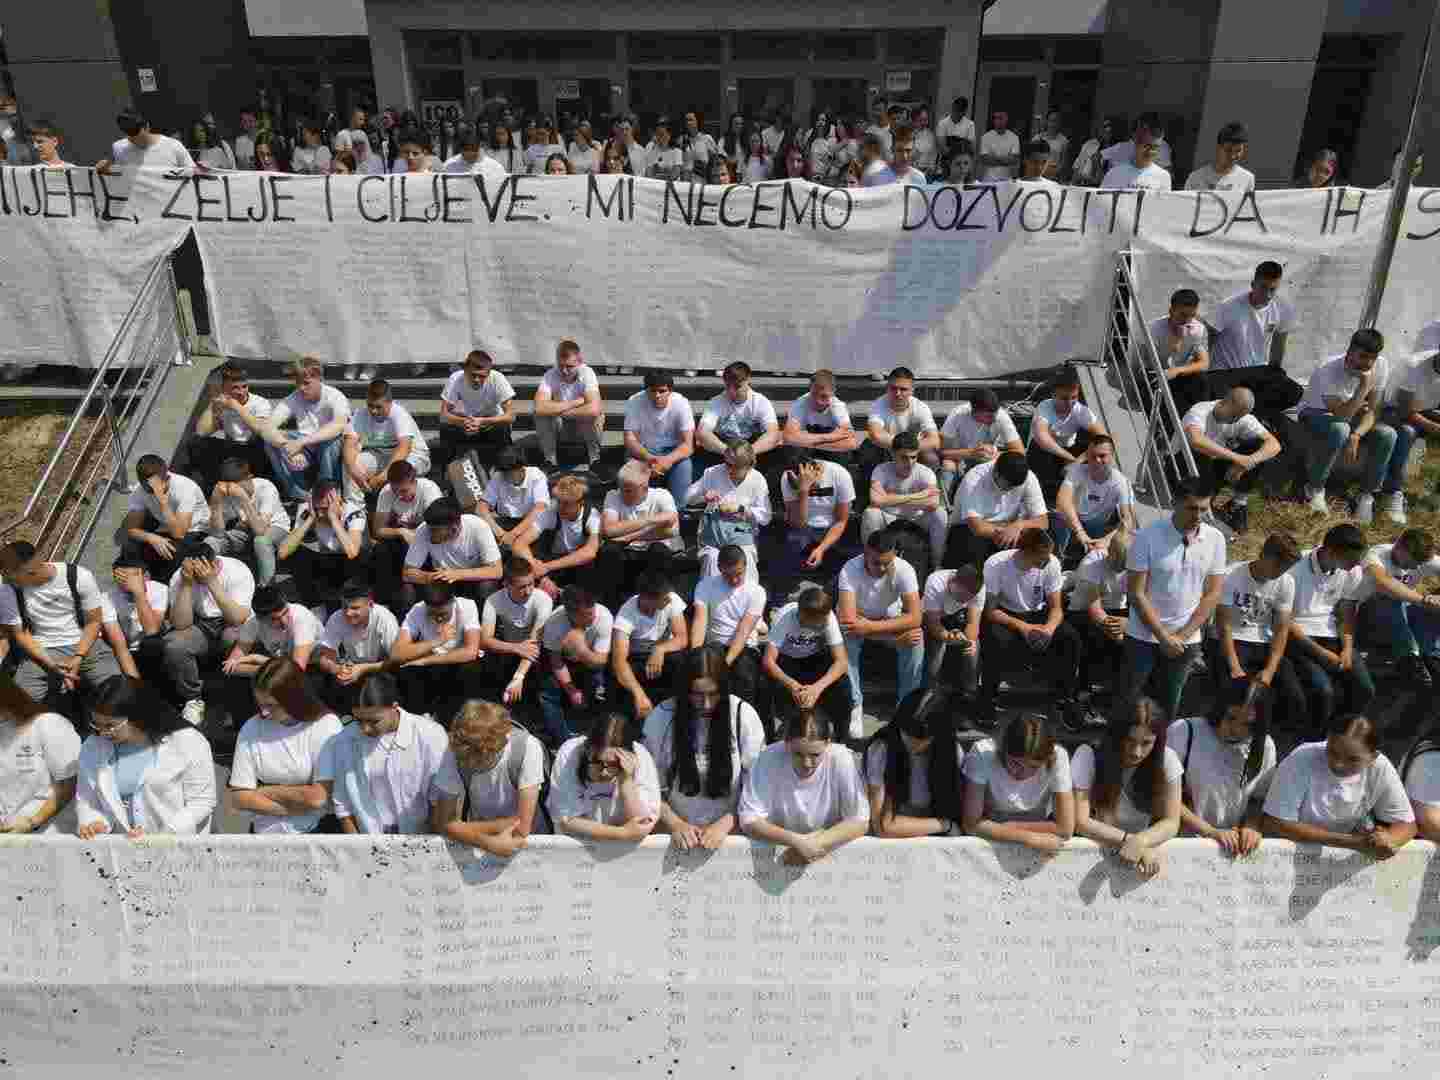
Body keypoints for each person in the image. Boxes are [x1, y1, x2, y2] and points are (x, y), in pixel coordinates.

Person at [1124, 479, 1227, 720]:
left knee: (1169, 707)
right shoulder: (1146, 536)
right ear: (1174, 503)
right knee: (1129, 704)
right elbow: (1136, 592)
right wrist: (1163, 636)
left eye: (1204, 509)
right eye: (1192, 508)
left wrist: (1181, 636)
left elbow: (1213, 593)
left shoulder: (1216, 539)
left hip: (1186, 639)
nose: (1198, 516)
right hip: (1142, 637)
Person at [643, 650, 764, 849]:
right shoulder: (660, 717)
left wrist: (725, 824)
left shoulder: (743, 715)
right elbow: (649, 787)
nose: (706, 704)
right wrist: (676, 824)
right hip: (677, 830)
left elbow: (757, 788)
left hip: (731, 830)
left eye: (713, 694)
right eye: (697, 694)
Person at [320, 673, 461, 835]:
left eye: (374, 721)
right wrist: (358, 846)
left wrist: (431, 843)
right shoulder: (344, 740)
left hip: (422, 837)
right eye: (359, 720)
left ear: (394, 707)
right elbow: (343, 805)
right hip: (367, 842)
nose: (365, 729)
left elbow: (446, 795)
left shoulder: (430, 734)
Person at [76, 677, 216, 838]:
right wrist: (95, 822)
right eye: (96, 725)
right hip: (121, 845)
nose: (102, 733)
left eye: (110, 726)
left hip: (176, 843)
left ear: (136, 715)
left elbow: (202, 801)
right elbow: (87, 798)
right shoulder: (93, 745)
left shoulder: (188, 741)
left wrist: (165, 833)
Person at [1262, 713, 1415, 857]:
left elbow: (1407, 825)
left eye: (1353, 759)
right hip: (1283, 855)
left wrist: (1388, 840)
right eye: (1332, 752)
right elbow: (1276, 822)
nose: (1338, 764)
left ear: (1373, 757)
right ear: (1327, 740)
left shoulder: (1380, 767)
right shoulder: (1302, 757)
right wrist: (1352, 842)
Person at [976, 529, 1084, 729]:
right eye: (1042, 556)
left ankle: (1065, 697)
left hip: (1037, 613)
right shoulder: (995, 564)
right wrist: (1024, 628)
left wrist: (1048, 629)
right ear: (1025, 551)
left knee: (1070, 638)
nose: (1048, 560)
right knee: (994, 639)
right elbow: (990, 611)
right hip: (1005, 613)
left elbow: (1056, 608)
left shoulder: (1051, 563)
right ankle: (988, 697)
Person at [0, 541, 122, 715]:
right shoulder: (8, 589)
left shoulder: (78, 576)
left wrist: (78, 656)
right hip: (41, 650)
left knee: (116, 690)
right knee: (17, 706)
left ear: (29, 570)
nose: (6, 579)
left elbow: (94, 621)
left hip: (85, 643)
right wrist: (50, 664)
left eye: (11, 576)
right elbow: (21, 634)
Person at [225, 657, 342, 833]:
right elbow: (239, 797)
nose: (264, 712)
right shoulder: (252, 727)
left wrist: (262, 791)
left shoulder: (326, 725)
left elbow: (318, 798)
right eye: (260, 704)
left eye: (271, 705)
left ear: (294, 698)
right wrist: (292, 807)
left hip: (316, 831)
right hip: (263, 832)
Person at [1298, 328, 1404, 523]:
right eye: (1363, 356)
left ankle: (1366, 494)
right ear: (1349, 351)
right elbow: (1342, 416)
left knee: (1388, 434)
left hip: (1352, 412)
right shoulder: (1327, 369)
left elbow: (1373, 410)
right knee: (1341, 429)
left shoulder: (1381, 365)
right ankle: (1315, 487)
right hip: (1315, 413)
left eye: (1373, 358)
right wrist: (1364, 387)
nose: (1368, 363)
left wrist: (1357, 435)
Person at [739, 709, 868, 865]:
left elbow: (859, 821)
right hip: (784, 847)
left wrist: (814, 844)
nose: (807, 764)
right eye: (798, 754)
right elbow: (749, 819)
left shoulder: (841, 759)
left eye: (815, 755)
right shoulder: (768, 758)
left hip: (823, 847)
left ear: (828, 744)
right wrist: (796, 841)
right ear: (786, 744)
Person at [1072, 697, 1182, 878]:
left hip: (1140, 854)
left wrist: (1142, 840)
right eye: (1130, 740)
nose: (1137, 752)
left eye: (1146, 743)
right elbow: (1080, 822)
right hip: (1089, 857)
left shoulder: (1168, 760)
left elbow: (1171, 822)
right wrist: (1130, 840)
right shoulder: (1088, 755)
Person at [1283, 524, 1374, 737]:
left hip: (1332, 633)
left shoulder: (1351, 572)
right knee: (1323, 691)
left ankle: (1341, 735)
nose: (1355, 565)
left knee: (1365, 688)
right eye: (1351, 560)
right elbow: (1286, 621)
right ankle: (1314, 741)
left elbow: (1346, 613)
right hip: (1298, 635)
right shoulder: (1295, 569)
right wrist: (1321, 653)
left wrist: (1347, 648)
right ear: (1331, 551)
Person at [1170, 678, 1276, 855]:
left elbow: (1258, 799)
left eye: (1248, 724)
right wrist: (1210, 832)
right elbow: (1163, 795)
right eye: (1231, 718)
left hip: (1232, 844)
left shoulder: (1265, 746)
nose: (1236, 729)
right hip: (1182, 841)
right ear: (1220, 710)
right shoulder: (1184, 731)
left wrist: (1251, 826)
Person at [837, 529, 924, 738]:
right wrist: (892, 639)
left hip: (884, 622)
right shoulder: (850, 569)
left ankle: (907, 706)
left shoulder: (905, 569)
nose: (882, 568)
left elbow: (915, 618)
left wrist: (871, 629)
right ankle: (855, 704)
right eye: (876, 563)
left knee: (915, 636)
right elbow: (849, 619)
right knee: (844, 633)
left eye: (888, 562)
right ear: (866, 553)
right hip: (858, 623)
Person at [160, 537, 254, 727]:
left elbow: (237, 618)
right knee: (174, 643)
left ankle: (234, 698)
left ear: (216, 563)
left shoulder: (237, 570)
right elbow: (180, 624)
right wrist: (187, 585)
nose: (198, 575)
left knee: (233, 636)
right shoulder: (181, 576)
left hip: (233, 622)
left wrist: (211, 581)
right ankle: (192, 699)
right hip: (201, 624)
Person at [437, 700, 548, 855]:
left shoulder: (527, 747)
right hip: (477, 841)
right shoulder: (455, 748)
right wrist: (487, 843)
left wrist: (460, 828)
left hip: (532, 842)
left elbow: (522, 827)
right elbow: (444, 823)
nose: (469, 763)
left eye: (477, 759)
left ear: (497, 746)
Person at [961, 712, 1075, 853]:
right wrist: (1029, 838)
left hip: (998, 830)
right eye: (1015, 763)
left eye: (1034, 767)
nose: (1022, 774)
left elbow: (1065, 828)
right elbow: (971, 824)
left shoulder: (1058, 756)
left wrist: (1003, 827)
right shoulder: (982, 753)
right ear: (1003, 750)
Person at [1206, 261, 1301, 426]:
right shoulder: (1228, 306)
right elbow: (1210, 339)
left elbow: (1279, 345)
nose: (1268, 295)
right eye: (1263, 288)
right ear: (1252, 284)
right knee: (1228, 401)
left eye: (1273, 289)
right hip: (1226, 373)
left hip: (1257, 372)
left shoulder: (1283, 308)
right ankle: (1253, 418)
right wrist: (1204, 371)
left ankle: (1255, 417)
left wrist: (1276, 374)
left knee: (1295, 391)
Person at [859, 688, 963, 839]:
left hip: (933, 834)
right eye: (906, 734)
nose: (911, 743)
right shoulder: (882, 750)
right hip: (896, 837)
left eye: (921, 739)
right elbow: (882, 826)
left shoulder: (952, 752)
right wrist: (945, 825)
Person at [245, 357, 351, 503]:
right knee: (270, 442)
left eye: (306, 383)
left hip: (325, 446)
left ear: (319, 378)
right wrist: (286, 445)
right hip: (304, 447)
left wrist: (301, 442)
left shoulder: (335, 396)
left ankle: (327, 491)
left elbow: (338, 425)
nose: (301, 388)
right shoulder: (293, 398)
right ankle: (299, 493)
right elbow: (267, 427)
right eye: (298, 383)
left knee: (331, 441)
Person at [1180, 389, 1282, 534]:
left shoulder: (1242, 418)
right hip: (1184, 463)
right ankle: (1202, 503)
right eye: (1234, 415)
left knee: (1260, 447)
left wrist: (1248, 462)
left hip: (1212, 467)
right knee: (1204, 453)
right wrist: (1237, 458)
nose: (1236, 420)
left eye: (1240, 417)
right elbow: (1196, 441)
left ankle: (1237, 504)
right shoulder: (1200, 411)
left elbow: (1274, 445)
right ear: (1225, 402)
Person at [548, 710, 660, 841]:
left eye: (614, 764)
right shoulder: (570, 753)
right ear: (588, 749)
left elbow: (643, 824)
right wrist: (622, 833)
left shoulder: (641, 757)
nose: (604, 772)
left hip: (623, 849)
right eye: (597, 762)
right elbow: (566, 820)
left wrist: (626, 781)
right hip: (578, 845)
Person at [763, 585, 852, 737]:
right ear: (801, 614)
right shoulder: (785, 618)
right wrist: (793, 686)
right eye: (816, 623)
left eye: (822, 622)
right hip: (786, 660)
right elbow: (768, 661)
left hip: (814, 658)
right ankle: (770, 737)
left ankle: (841, 738)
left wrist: (817, 688)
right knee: (764, 684)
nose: (821, 625)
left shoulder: (827, 616)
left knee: (843, 686)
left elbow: (841, 662)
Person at [1356, 529, 1440, 687]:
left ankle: (1432, 656)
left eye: (1421, 563)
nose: (1417, 566)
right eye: (1415, 561)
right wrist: (1423, 600)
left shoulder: (1421, 558)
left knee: (1433, 608)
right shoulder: (1375, 556)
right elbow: (1384, 583)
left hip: (1399, 615)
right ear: (1400, 548)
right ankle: (1409, 658)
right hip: (1366, 617)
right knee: (1389, 599)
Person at [390, 582, 483, 720]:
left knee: (470, 669)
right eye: (432, 614)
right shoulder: (417, 610)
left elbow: (471, 651)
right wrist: (438, 640)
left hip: (456, 664)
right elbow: (396, 654)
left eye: (443, 614)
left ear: (453, 602)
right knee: (405, 670)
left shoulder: (467, 606)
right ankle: (420, 717)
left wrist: (426, 660)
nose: (438, 618)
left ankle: (456, 718)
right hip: (431, 667)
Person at [0, 676, 80, 834]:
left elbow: (70, 784)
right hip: (9, 832)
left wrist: (33, 821)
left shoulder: (49, 724)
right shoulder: (3, 730)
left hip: (50, 832)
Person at [690, 545, 766, 709]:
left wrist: (725, 664)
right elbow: (700, 621)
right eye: (728, 575)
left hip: (744, 646)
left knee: (744, 675)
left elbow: (743, 631)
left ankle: (744, 716)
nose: (734, 580)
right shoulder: (705, 585)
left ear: (746, 566)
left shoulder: (757, 592)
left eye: (739, 574)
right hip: (714, 645)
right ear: (719, 568)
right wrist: (696, 655)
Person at [686, 441, 771, 583]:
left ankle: (748, 595)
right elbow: (687, 497)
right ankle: (709, 596)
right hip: (713, 533)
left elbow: (765, 516)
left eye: (735, 466)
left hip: (742, 534)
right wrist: (703, 497)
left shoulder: (757, 479)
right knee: (712, 559)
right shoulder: (713, 473)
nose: (729, 469)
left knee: (745, 558)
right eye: (727, 464)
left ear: (749, 465)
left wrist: (743, 509)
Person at [863, 432, 947, 576]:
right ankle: (870, 559)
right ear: (893, 454)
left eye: (913, 457)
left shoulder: (926, 473)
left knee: (940, 514)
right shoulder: (881, 470)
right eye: (904, 457)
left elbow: (933, 503)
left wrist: (889, 498)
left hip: (918, 518)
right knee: (870, 513)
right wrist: (918, 495)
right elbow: (876, 500)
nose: (910, 462)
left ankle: (936, 564)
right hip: (888, 516)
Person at [947, 451, 1047, 571]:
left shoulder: (1029, 478)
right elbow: (977, 527)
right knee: (974, 545)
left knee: (1047, 532)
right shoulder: (974, 479)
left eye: (1013, 487)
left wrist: (1019, 525)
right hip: (967, 530)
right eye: (1006, 486)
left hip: (1007, 530)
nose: (1009, 490)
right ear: (995, 472)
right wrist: (1008, 531)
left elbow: (1043, 522)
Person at [597, 460, 680, 605]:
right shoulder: (613, 495)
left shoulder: (662, 495)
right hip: (625, 553)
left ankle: (657, 599)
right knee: (609, 551)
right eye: (621, 488)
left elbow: (672, 530)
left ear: (644, 487)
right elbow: (609, 530)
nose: (623, 494)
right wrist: (650, 522)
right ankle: (612, 603)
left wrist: (629, 536)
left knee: (659, 551)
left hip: (651, 553)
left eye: (629, 490)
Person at [611, 572, 690, 724]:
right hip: (637, 658)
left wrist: (659, 650)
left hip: (663, 652)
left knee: (681, 660)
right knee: (619, 677)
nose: (669, 600)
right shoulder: (625, 615)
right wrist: (638, 694)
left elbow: (682, 638)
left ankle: (678, 711)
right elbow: (619, 662)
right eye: (664, 598)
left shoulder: (671, 599)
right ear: (646, 598)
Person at [278, 481, 367, 615]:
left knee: (359, 556)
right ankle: (315, 606)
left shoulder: (354, 512)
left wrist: (333, 518)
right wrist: (310, 519)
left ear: (338, 501)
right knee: (295, 552)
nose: (320, 514)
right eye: (316, 508)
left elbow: (352, 552)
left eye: (324, 508)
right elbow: (283, 552)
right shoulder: (309, 510)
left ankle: (349, 599)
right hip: (328, 560)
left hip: (353, 565)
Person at [119, 454, 211, 582]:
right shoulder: (140, 492)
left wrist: (163, 502)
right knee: (130, 546)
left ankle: (163, 581)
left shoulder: (185, 489)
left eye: (156, 485)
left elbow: (179, 533)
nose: (152, 490)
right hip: (165, 526)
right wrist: (152, 538)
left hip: (194, 529)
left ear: (167, 476)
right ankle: (141, 576)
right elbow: (131, 529)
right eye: (147, 487)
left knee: (172, 551)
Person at [313, 581, 400, 716]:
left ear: (370, 604)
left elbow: (397, 660)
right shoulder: (336, 618)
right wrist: (337, 669)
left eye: (355, 608)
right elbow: (325, 656)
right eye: (344, 607)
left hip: (382, 667)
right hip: (353, 667)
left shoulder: (385, 619)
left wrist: (364, 668)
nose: (348, 613)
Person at [538, 586, 612, 745]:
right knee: (548, 693)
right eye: (587, 615)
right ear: (571, 614)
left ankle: (597, 732)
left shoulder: (604, 616)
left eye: (593, 611)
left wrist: (581, 649)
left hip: (591, 659)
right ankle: (562, 740)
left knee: (600, 686)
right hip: (563, 660)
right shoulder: (554, 623)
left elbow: (600, 661)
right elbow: (556, 661)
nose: (593, 616)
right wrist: (571, 690)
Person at [475, 556, 554, 705]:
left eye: (531, 584)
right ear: (506, 584)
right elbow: (485, 641)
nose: (528, 591)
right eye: (522, 587)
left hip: (536, 652)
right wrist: (515, 648)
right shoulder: (493, 600)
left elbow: (534, 644)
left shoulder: (543, 600)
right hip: (508, 649)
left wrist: (519, 677)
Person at [368, 460, 443, 612]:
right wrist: (401, 531)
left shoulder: (429, 490)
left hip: (430, 540)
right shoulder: (387, 492)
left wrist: (416, 535)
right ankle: (383, 601)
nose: (400, 496)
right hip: (402, 540)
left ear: (415, 481)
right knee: (381, 550)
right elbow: (378, 530)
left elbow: (439, 527)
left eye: (404, 491)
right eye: (395, 491)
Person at [1025, 367, 1107, 503]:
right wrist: (1070, 459)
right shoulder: (1044, 407)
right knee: (1038, 447)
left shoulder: (1081, 411)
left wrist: (1078, 461)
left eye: (1074, 397)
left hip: (1067, 453)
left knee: (1099, 448)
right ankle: (1045, 491)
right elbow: (1042, 439)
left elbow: (1104, 438)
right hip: (1044, 455)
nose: (1070, 403)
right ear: (1053, 395)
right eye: (1064, 398)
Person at [1065, 533, 1130, 704]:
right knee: (1093, 637)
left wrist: (1130, 626)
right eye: (1119, 563)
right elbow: (1096, 611)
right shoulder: (1091, 565)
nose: (1122, 568)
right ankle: (1083, 688)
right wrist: (1120, 636)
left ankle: (1122, 690)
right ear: (1111, 553)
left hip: (1116, 609)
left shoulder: (1134, 566)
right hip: (1083, 611)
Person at [513, 474, 601, 598]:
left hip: (576, 565)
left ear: (580, 502)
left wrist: (546, 567)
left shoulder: (592, 516)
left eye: (566, 503)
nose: (561, 507)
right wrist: (537, 569)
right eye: (559, 501)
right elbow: (519, 544)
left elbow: (590, 552)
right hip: (552, 561)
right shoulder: (551, 512)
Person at [206, 457, 290, 586]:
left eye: (238, 486)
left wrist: (243, 498)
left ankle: (267, 587)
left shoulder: (265, 487)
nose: (232, 492)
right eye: (230, 488)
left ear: (249, 477)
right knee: (210, 542)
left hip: (275, 527)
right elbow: (217, 533)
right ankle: (209, 583)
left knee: (261, 541)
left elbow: (260, 530)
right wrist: (216, 502)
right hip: (246, 530)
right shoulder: (227, 492)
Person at [188, 363, 273, 489]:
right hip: (232, 447)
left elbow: (260, 429)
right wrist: (213, 404)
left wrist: (235, 406)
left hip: (254, 447)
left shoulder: (260, 403)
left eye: (244, 386)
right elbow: (201, 431)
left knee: (262, 442)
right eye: (235, 388)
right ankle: (212, 487)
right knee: (195, 443)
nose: (241, 392)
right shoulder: (222, 402)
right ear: (224, 389)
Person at [401, 497, 503, 602]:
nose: (429, 534)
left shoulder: (478, 527)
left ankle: (485, 612)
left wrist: (456, 574)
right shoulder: (424, 529)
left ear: (454, 529)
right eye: (429, 528)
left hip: (474, 577)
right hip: (442, 579)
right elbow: (407, 573)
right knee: (408, 587)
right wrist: (429, 577)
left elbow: (496, 570)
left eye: (435, 530)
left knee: (487, 585)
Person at [343, 379, 430, 501]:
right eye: (370, 406)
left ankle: (401, 505)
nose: (373, 411)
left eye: (378, 407)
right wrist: (353, 470)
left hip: (414, 455)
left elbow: (404, 448)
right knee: (350, 464)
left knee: (401, 471)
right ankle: (355, 506)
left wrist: (381, 478)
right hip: (380, 455)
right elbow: (349, 444)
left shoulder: (400, 414)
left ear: (390, 403)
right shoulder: (360, 414)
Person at [1052, 435, 1136, 558]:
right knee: (1059, 517)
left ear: (1112, 456)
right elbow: (1062, 501)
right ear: (1087, 456)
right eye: (1092, 456)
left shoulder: (1122, 483)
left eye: (1102, 456)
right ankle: (1058, 556)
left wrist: (1106, 540)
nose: (1097, 460)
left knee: (1119, 540)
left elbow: (1129, 520)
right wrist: (1080, 532)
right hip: (1073, 519)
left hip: (1096, 526)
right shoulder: (1077, 470)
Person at [778, 449, 856, 582]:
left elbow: (841, 521)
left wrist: (821, 549)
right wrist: (803, 491)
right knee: (793, 547)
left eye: (813, 485)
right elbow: (798, 523)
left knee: (840, 562)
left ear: (818, 470)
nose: (811, 489)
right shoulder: (788, 477)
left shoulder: (839, 474)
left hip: (832, 527)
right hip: (804, 528)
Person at [622, 369, 695, 508]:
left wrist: (667, 460)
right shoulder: (635, 401)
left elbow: (688, 445)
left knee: (685, 467)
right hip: (643, 451)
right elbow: (630, 439)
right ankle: (638, 509)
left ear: (670, 391)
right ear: (646, 390)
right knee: (632, 476)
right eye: (652, 391)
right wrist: (649, 458)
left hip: (673, 452)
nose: (657, 395)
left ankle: (678, 511)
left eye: (662, 391)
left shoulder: (681, 403)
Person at [436, 349, 516, 474]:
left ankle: (505, 471)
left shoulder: (498, 378)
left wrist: (482, 421)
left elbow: (511, 416)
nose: (477, 380)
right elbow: (444, 415)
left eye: (482, 376)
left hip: (491, 424)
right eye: (473, 375)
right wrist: (464, 422)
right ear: (465, 370)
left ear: (489, 373)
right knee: (445, 429)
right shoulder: (455, 378)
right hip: (468, 423)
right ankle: (449, 473)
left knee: (503, 428)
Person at [1384, 348, 1440, 518]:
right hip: (1393, 410)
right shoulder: (1413, 366)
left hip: (1424, 409)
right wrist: (1433, 427)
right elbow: (1404, 410)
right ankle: (1394, 492)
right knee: (1407, 432)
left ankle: (1435, 496)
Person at [938, 389, 1024, 496]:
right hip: (958, 457)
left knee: (1008, 466)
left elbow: (1019, 452)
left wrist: (994, 454)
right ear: (974, 411)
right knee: (947, 466)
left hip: (987, 459)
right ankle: (948, 501)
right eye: (988, 416)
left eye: (995, 414)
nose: (994, 419)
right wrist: (971, 453)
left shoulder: (1001, 416)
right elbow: (942, 452)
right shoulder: (958, 414)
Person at [533, 340, 604, 470]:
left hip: (582, 425)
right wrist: (576, 402)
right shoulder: (550, 374)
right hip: (560, 425)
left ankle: (594, 459)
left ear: (580, 361)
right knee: (541, 416)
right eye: (561, 366)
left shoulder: (587, 373)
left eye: (569, 366)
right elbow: (539, 408)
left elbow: (594, 409)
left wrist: (557, 410)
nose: (564, 371)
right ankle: (550, 461)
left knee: (596, 416)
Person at [696, 361, 781, 466]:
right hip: (724, 449)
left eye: (737, 386)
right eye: (728, 386)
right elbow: (702, 432)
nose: (732, 392)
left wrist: (748, 453)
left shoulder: (760, 402)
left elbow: (773, 434)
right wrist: (727, 451)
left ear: (748, 381)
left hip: (752, 448)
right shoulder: (716, 402)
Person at [1147, 288, 1211, 420]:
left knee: (1201, 381)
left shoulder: (1198, 329)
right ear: (1171, 311)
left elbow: (1204, 363)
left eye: (1192, 315)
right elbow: (1147, 361)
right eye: (1182, 315)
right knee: (1161, 390)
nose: (1187, 320)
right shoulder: (1154, 329)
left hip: (1179, 374)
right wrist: (1175, 341)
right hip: (1157, 374)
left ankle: (1198, 420)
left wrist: (1178, 370)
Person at [102, 554, 168, 682]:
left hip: (154, 645)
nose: (126, 582)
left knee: (153, 644)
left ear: (146, 576)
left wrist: (139, 593)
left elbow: (152, 631)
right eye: (120, 577)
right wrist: (135, 685)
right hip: (128, 650)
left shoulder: (159, 589)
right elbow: (120, 648)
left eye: (130, 577)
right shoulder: (106, 599)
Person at [921, 564, 983, 698]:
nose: (964, 601)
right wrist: (948, 637)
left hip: (958, 617)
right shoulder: (935, 582)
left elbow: (973, 623)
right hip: (934, 616)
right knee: (937, 647)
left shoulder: (979, 588)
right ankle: (930, 691)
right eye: (962, 596)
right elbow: (934, 624)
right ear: (953, 582)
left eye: (969, 599)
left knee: (973, 647)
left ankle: (970, 692)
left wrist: (970, 641)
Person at [475, 446, 551, 553]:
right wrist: (500, 533)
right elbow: (481, 507)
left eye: (509, 471)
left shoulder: (536, 475)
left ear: (521, 468)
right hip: (505, 523)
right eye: (503, 471)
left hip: (529, 523)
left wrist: (513, 534)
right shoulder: (499, 476)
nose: (505, 475)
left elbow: (540, 508)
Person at [865, 366, 940, 468]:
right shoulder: (878, 405)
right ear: (887, 388)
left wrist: (907, 450)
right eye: (893, 388)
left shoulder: (921, 407)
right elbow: (876, 434)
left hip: (913, 450)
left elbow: (934, 440)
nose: (898, 393)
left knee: (931, 458)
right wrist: (903, 448)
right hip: (886, 448)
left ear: (912, 391)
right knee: (868, 451)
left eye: (903, 389)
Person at [784, 370, 859, 463]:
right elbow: (788, 437)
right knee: (791, 450)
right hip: (816, 450)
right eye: (814, 394)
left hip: (829, 453)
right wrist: (829, 437)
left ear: (833, 393)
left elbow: (852, 443)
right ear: (810, 389)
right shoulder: (801, 403)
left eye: (824, 396)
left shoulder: (837, 406)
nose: (818, 401)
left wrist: (808, 442)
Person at [95, 109, 195, 174]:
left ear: (147, 126)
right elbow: (120, 176)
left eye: (136, 132)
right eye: (129, 134)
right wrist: (105, 170)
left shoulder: (173, 145)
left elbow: (192, 172)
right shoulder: (119, 148)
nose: (135, 139)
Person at [1184, 122, 1255, 193]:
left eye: (1238, 151)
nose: (1233, 156)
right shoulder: (1195, 178)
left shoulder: (1248, 179)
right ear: (1218, 148)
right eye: (1228, 150)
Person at [1099, 112, 1173, 171]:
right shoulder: (1121, 147)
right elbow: (1098, 156)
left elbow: (1167, 170)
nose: (1143, 133)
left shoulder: (1162, 146)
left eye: (1146, 129)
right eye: (1140, 128)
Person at [1101, 135, 1172, 192]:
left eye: (1155, 147)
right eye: (1147, 146)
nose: (1151, 151)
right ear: (1136, 145)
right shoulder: (1114, 173)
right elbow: (1101, 201)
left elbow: (1164, 204)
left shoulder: (1163, 176)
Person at [1070, 117, 1115, 187]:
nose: (1107, 129)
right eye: (1104, 126)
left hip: (1096, 187)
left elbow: (1105, 180)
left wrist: (1097, 163)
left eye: (1109, 126)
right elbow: (1077, 167)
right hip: (1080, 184)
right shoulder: (1089, 144)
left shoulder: (1114, 151)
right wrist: (1072, 185)